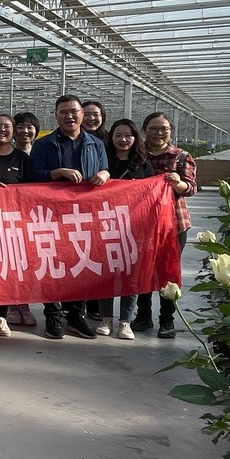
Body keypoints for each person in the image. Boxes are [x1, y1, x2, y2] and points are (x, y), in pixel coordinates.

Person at [30, 95, 109, 340]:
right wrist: (57, 172)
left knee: (80, 261)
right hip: (51, 214)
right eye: (63, 112)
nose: (69, 116)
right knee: (52, 262)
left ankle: (76, 314)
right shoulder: (44, 145)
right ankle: (54, 314)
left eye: (74, 111)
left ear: (82, 114)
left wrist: (105, 174)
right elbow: (33, 175)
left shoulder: (96, 144)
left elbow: (104, 168)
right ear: (56, 115)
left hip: (83, 215)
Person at [136, 112, 198, 338]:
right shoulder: (137, 154)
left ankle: (167, 319)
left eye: (164, 129)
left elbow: (191, 187)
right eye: (153, 128)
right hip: (141, 223)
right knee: (142, 268)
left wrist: (178, 183)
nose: (159, 133)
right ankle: (143, 315)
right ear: (145, 130)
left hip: (174, 223)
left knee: (168, 270)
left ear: (171, 131)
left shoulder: (181, 157)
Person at [95, 119, 154, 340]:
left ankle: (125, 322)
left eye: (128, 135)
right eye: (118, 135)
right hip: (106, 225)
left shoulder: (143, 164)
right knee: (106, 275)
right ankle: (106, 319)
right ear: (111, 138)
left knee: (131, 276)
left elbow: (151, 194)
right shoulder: (104, 162)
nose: (123, 139)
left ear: (135, 138)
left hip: (134, 228)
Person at [0, 113, 33, 337]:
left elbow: (31, 191)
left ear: (13, 131)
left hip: (11, 224)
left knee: (5, 270)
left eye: (7, 126)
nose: (2, 130)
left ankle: (1, 315)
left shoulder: (22, 159)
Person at [7, 111, 41, 326]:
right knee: (12, 261)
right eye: (20, 127)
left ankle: (25, 304)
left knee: (30, 262)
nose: (24, 131)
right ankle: (13, 304)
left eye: (30, 127)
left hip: (34, 217)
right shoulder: (8, 154)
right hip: (8, 217)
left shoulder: (41, 153)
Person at [81, 102, 110, 320]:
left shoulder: (109, 141)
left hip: (103, 209)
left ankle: (97, 305)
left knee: (100, 256)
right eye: (87, 114)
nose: (92, 118)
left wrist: (106, 173)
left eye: (96, 114)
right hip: (79, 209)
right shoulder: (75, 141)